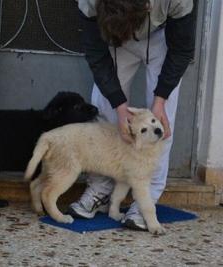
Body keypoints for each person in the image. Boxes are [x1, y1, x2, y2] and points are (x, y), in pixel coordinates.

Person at [68, 0, 196, 230]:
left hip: (163, 34)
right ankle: (100, 188)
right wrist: (119, 106)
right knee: (103, 105)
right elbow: (96, 54)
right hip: (115, 38)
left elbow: (182, 49)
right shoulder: (89, 2)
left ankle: (146, 200)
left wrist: (159, 101)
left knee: (162, 119)